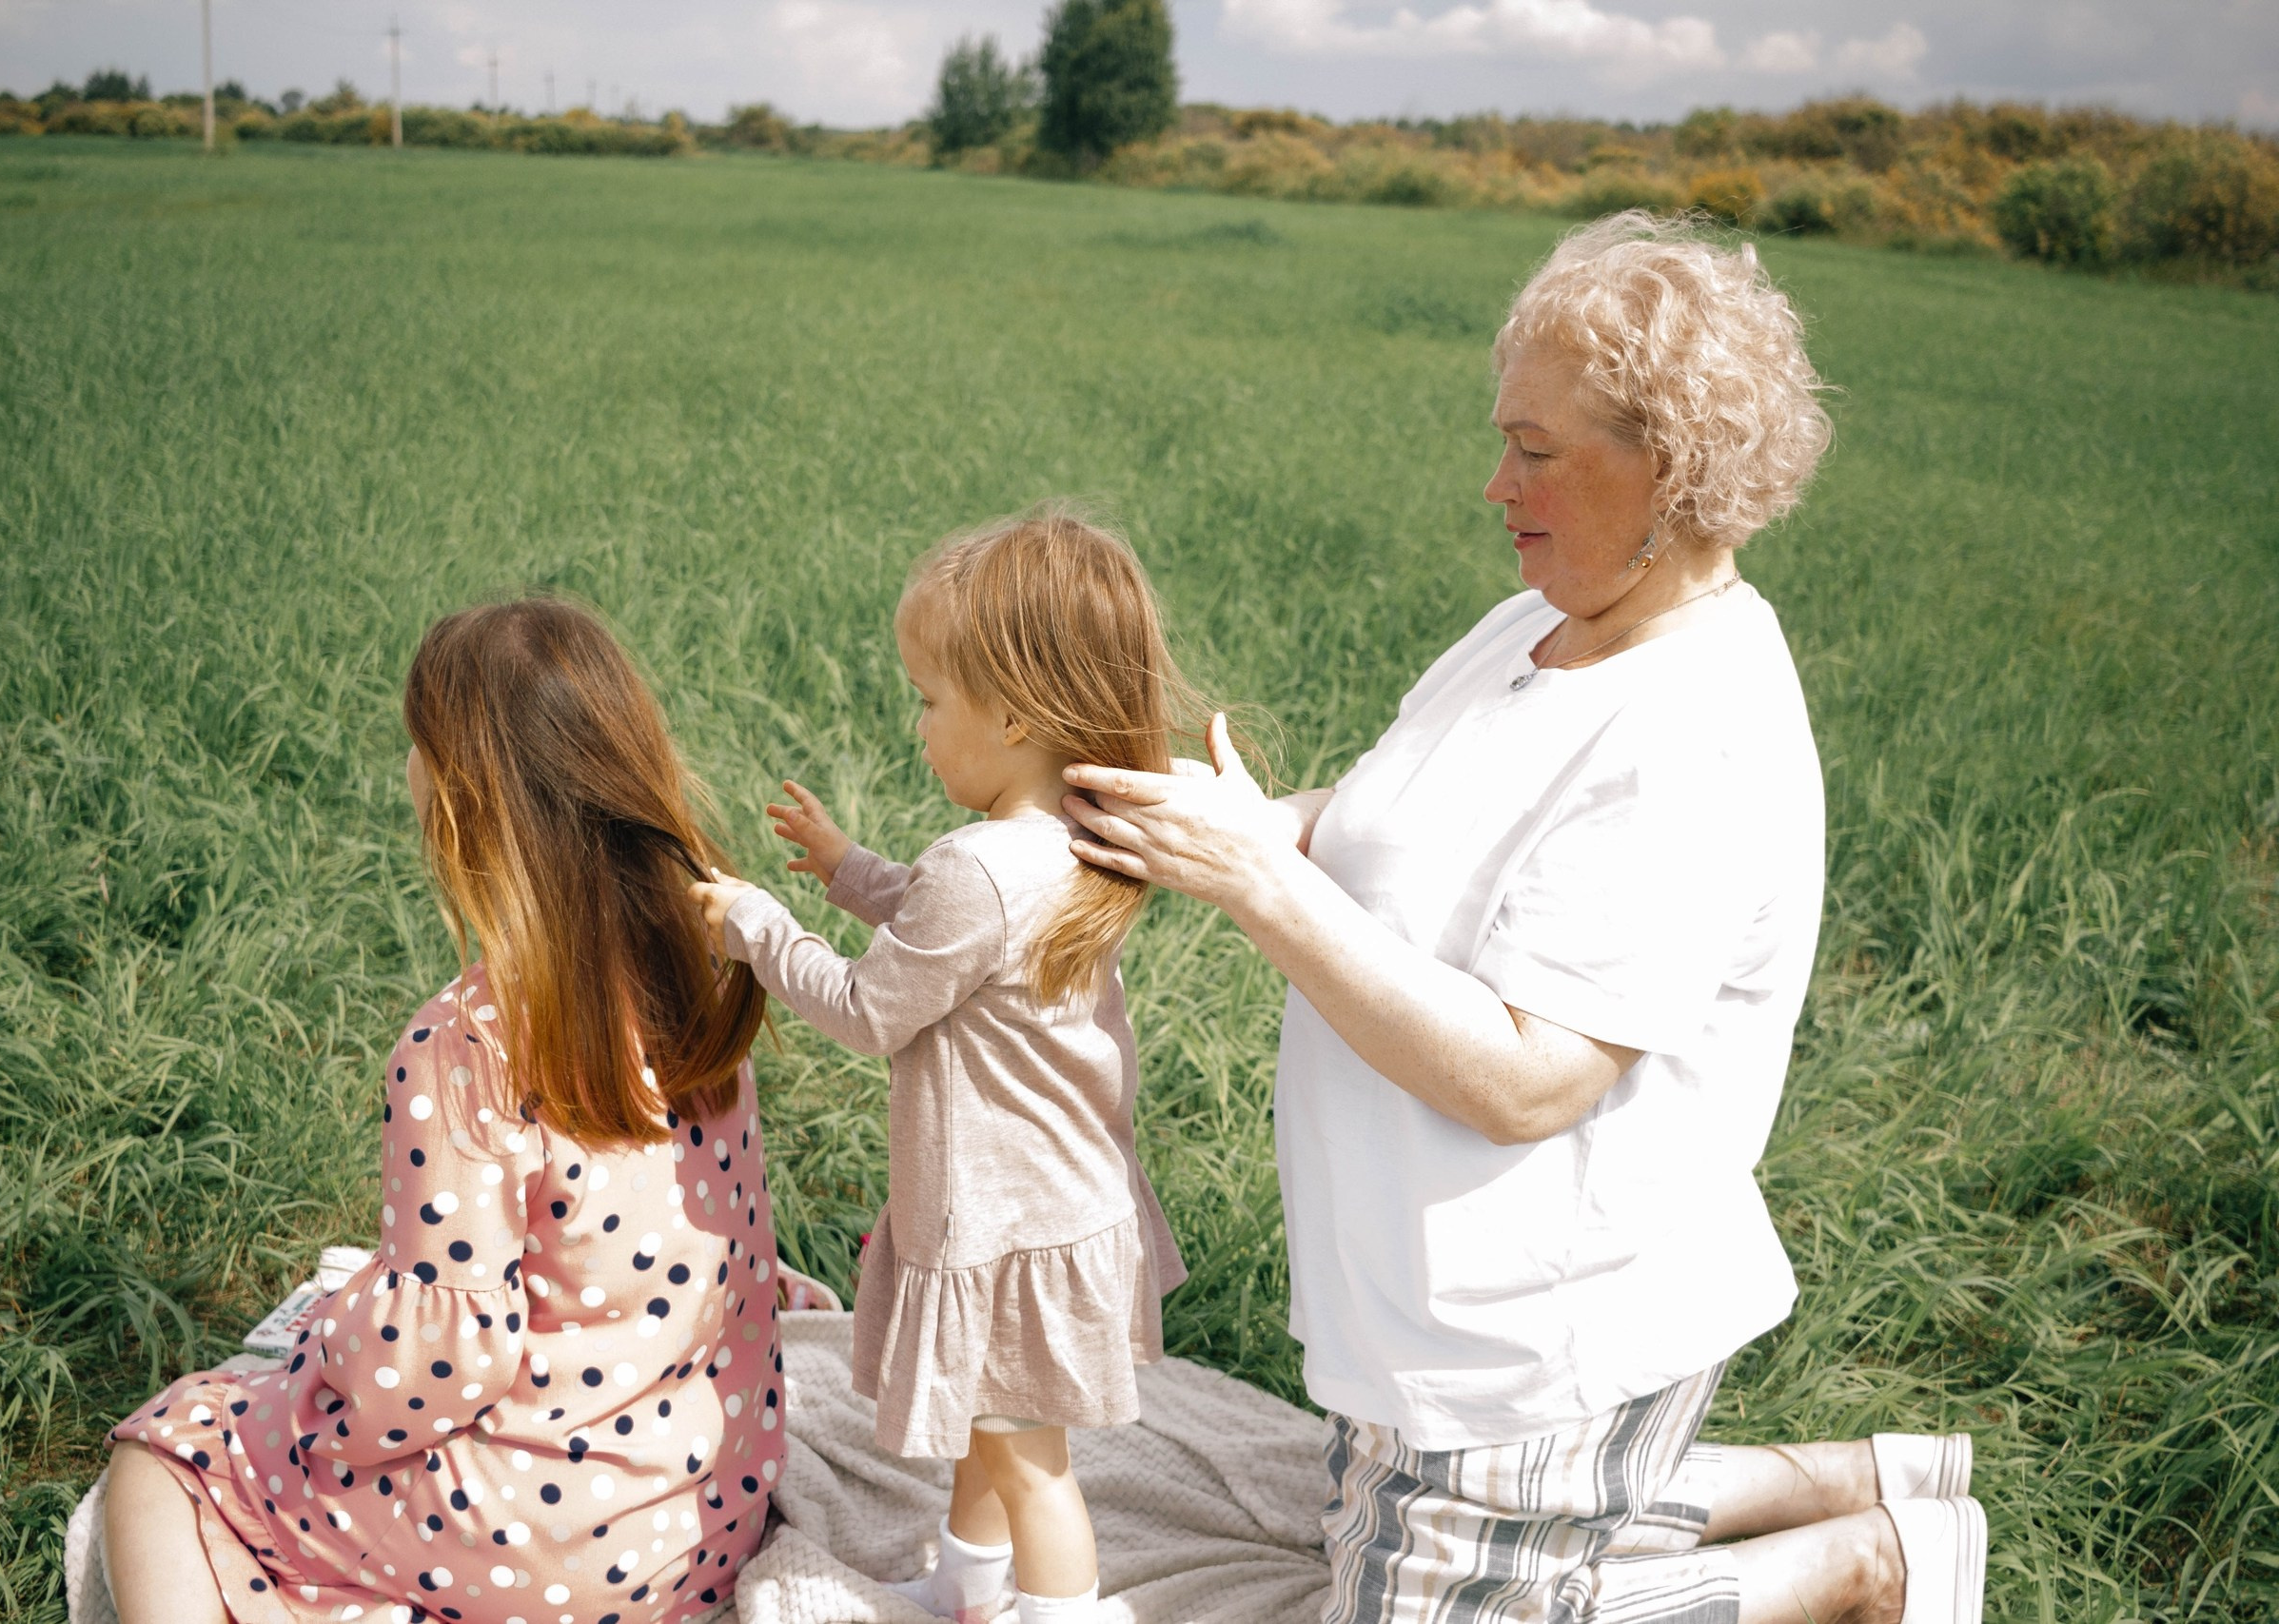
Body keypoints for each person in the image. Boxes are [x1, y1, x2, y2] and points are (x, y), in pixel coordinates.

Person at [1059, 213, 1988, 1624]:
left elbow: (1527, 1074)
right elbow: (1401, 819)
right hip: (1429, 1319)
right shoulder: (1540, 623)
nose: (1498, 484)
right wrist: (1273, 823)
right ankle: (1841, 1475)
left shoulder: (1692, 730)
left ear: (1672, 465)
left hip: (1544, 1337)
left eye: (1539, 451)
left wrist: (1259, 881)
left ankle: (1858, 1564)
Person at [101, 597, 793, 1624]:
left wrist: (336, 1335)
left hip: (539, 1551)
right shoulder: (698, 965)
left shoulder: (468, 1045)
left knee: (170, 1448)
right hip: (705, 1515)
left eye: (415, 745)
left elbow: (444, 1354)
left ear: (460, 800)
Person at [690, 508, 1191, 1624]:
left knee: (1029, 1463)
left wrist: (761, 930)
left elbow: (875, 1006)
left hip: (1008, 1229)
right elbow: (940, 924)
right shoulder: (1071, 835)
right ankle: (968, 1591)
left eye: (929, 698)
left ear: (1011, 715)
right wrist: (844, 868)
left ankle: (1059, 1613)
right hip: (1054, 1208)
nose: (918, 726)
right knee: (991, 1425)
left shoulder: (980, 869)